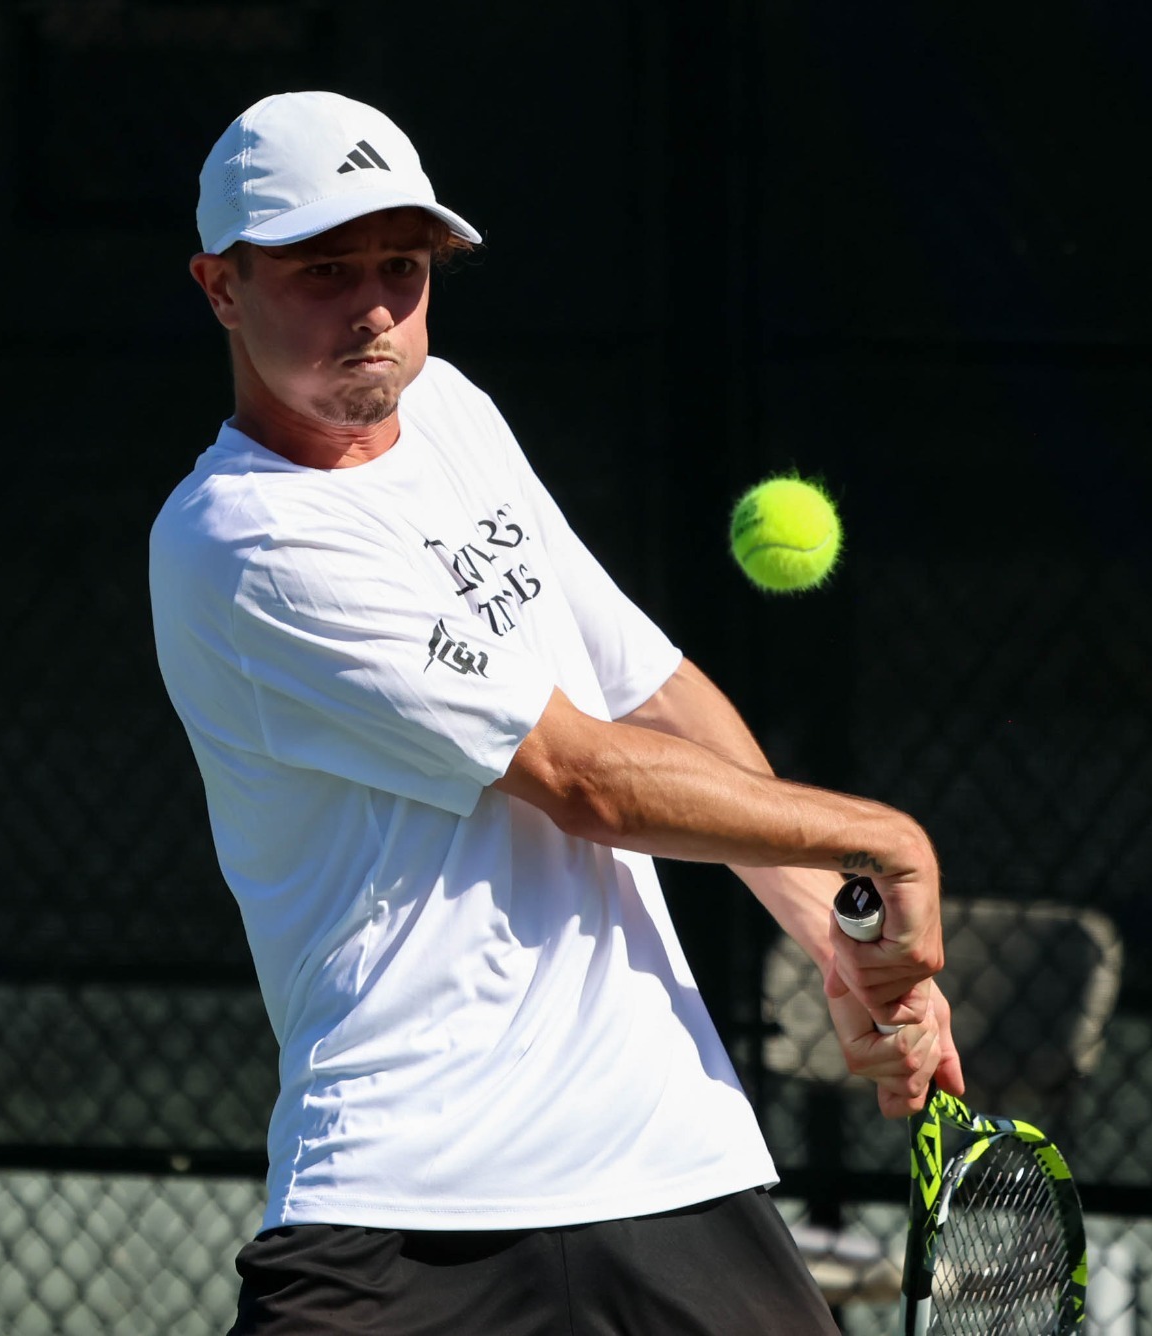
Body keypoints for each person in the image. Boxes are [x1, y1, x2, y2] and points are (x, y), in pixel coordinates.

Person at [150, 91, 964, 1335]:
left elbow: (646, 688)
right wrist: (878, 840)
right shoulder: (242, 542)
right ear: (220, 286)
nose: (374, 308)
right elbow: (582, 775)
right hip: (406, 1199)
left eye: (403, 267)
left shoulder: (457, 414)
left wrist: (830, 935)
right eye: (324, 271)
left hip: (664, 1150)